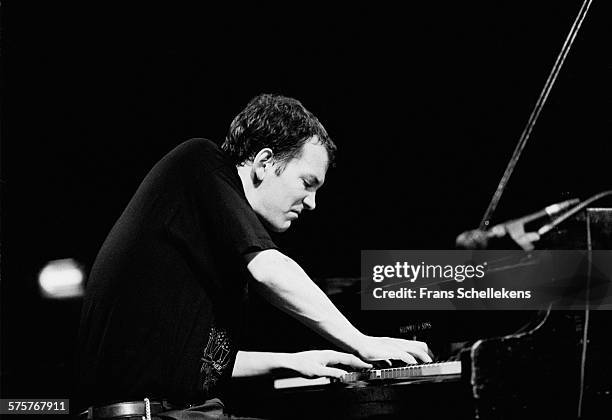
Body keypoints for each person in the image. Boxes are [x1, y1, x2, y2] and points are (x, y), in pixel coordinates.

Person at [76, 94, 432, 419]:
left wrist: (294, 362)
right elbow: (269, 269)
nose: (311, 203)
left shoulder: (209, 239)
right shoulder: (199, 160)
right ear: (264, 162)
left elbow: (202, 364)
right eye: (308, 183)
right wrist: (362, 341)